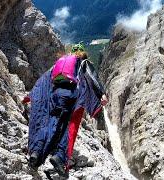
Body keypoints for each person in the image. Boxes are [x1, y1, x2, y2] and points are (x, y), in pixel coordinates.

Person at [24, 43, 108, 177]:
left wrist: (30, 96)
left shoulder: (59, 65)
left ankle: (36, 154)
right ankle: (60, 158)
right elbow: (92, 77)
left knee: (50, 123)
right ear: (83, 54)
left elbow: (44, 80)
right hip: (71, 96)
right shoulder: (83, 62)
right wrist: (101, 94)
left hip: (55, 95)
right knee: (66, 127)